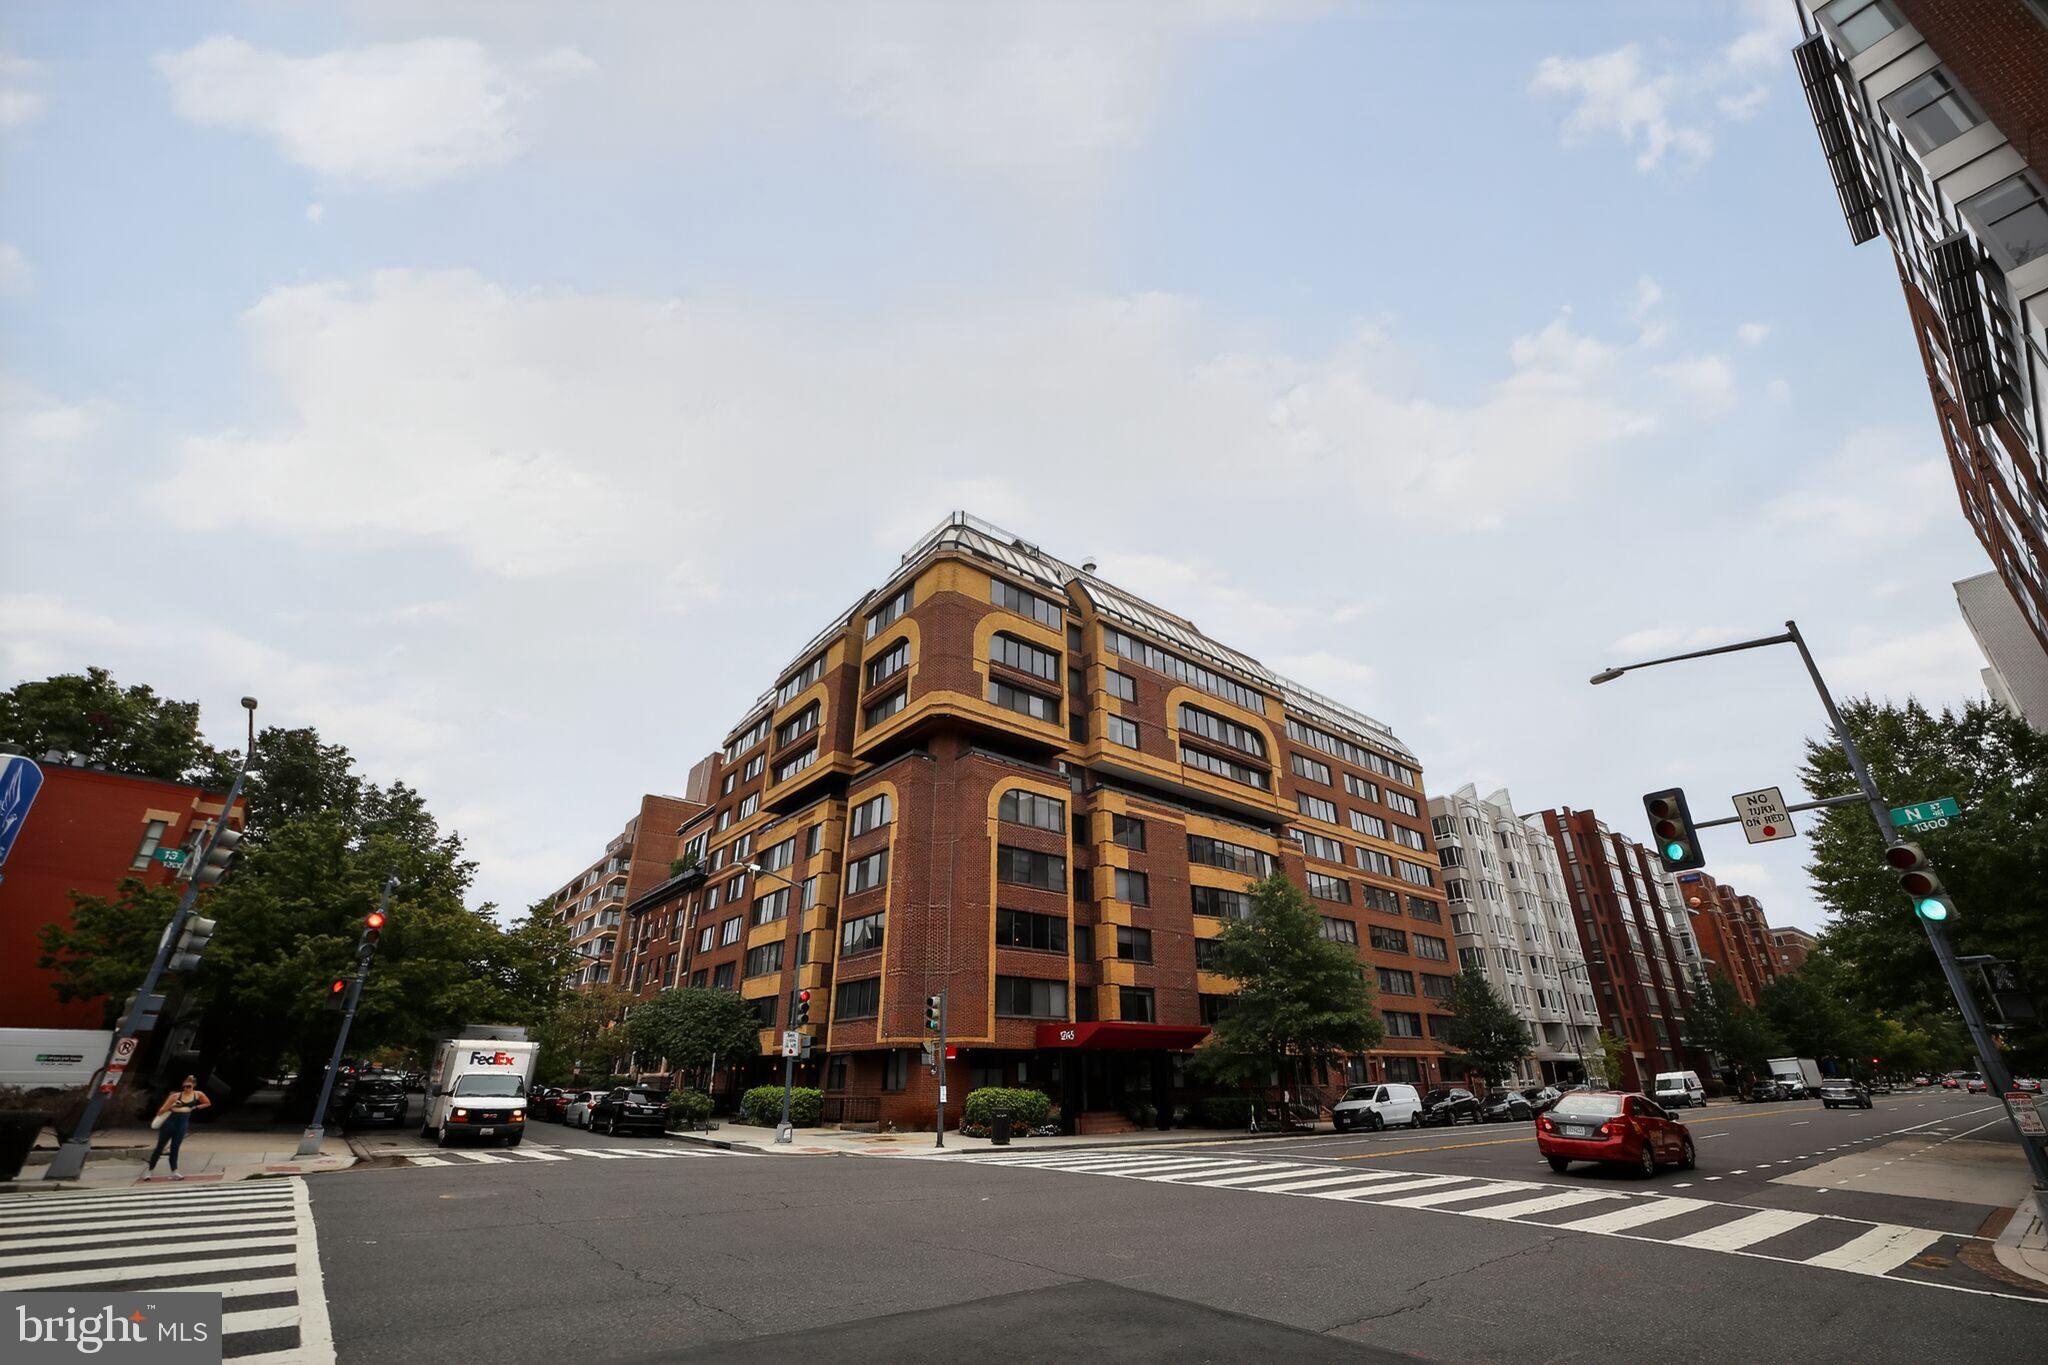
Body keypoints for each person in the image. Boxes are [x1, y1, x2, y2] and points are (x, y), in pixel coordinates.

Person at [146, 1075, 211, 1179]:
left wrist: (195, 1107)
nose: (186, 1088)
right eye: (184, 1086)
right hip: (170, 1122)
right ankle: (150, 1171)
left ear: (194, 1085)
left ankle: (174, 1171)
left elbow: (207, 1103)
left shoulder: (198, 1094)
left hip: (182, 1124)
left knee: (175, 1147)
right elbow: (162, 1109)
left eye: (189, 1086)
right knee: (160, 1147)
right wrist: (171, 1106)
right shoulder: (175, 1096)